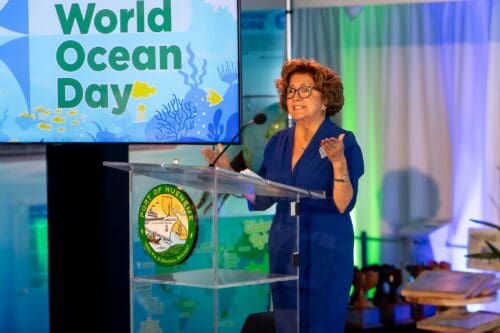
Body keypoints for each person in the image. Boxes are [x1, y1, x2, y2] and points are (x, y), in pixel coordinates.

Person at [202, 58, 364, 333]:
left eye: (304, 90)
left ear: (325, 98)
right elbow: (263, 196)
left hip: (325, 250)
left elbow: (343, 203)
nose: (295, 97)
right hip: (284, 246)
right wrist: (231, 173)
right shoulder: (278, 142)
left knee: (321, 325)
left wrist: (338, 162)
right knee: (287, 325)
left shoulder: (342, 141)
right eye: (290, 90)